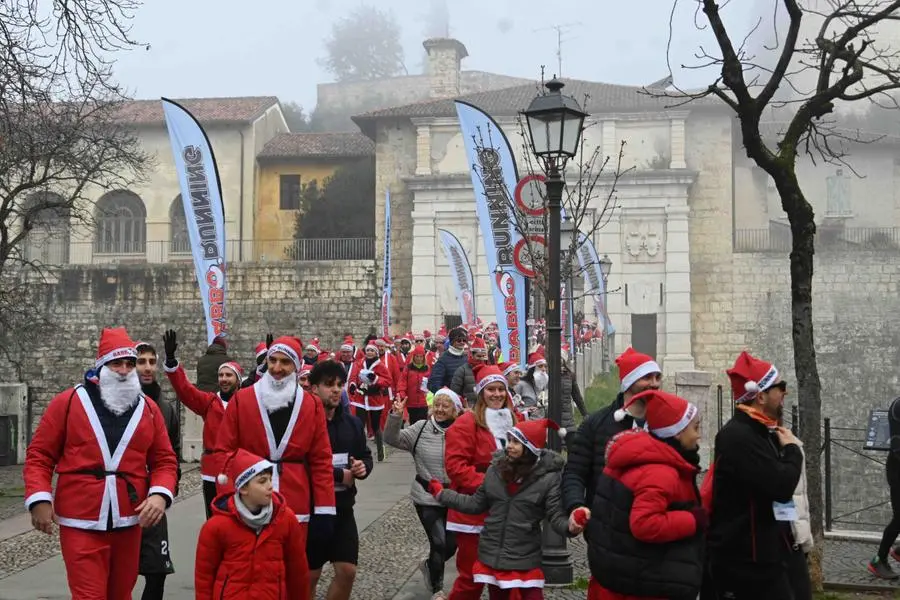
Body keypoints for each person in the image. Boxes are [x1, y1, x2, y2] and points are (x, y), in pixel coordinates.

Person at [23, 327, 178, 600]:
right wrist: (39, 499)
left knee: (121, 593)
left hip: (130, 518)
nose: (123, 370)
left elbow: (165, 460)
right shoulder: (68, 402)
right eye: (116, 363)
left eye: (129, 364)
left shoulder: (149, 409)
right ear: (101, 367)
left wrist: (159, 494)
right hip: (80, 518)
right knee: (89, 595)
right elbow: (40, 456)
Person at [427, 418, 584, 599]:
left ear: (530, 446)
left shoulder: (548, 479)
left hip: (524, 558)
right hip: (493, 555)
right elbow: (475, 503)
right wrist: (442, 494)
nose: (509, 446)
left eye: (516, 442)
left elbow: (555, 515)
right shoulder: (495, 471)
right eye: (509, 440)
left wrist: (571, 525)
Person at [215, 336, 336, 555]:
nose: (277, 368)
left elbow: (321, 460)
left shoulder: (311, 405)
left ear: (296, 367)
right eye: (273, 361)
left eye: (285, 362)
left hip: (295, 500)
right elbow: (225, 451)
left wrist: (324, 509)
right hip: (250, 499)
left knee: (293, 570)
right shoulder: (242, 400)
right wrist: (227, 497)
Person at [561, 347, 661, 599]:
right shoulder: (595, 424)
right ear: (629, 382)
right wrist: (576, 506)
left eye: (657, 377)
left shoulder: (668, 424)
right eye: (647, 377)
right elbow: (575, 472)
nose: (655, 383)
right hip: (608, 530)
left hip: (655, 528)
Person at [587, 389, 706, 600]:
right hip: (644, 584)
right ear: (677, 432)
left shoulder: (637, 458)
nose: (698, 435)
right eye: (695, 428)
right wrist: (693, 519)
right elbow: (645, 524)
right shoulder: (660, 471)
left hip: (621, 577)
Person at [704, 351, 803, 599]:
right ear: (760, 396)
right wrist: (793, 450)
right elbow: (780, 485)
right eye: (779, 387)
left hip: (765, 555)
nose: (784, 393)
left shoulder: (759, 431)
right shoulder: (739, 436)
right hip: (747, 564)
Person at [444, 363, 519, 599]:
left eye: (501, 389)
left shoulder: (512, 420)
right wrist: (494, 486)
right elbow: (456, 468)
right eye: (491, 390)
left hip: (505, 513)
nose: (497, 394)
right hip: (473, 512)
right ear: (481, 393)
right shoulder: (466, 424)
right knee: (472, 577)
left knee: (505, 578)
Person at [194, 448, 308, 600]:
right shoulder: (216, 527)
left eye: (269, 479)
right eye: (262, 481)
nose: (270, 486)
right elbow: (204, 578)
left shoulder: (286, 520)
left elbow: (298, 572)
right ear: (244, 488)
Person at [385, 388, 463, 599]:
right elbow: (392, 439)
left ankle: (429, 565)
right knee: (438, 542)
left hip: (454, 497)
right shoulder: (421, 428)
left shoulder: (463, 430)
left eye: (445, 406)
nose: (439, 409)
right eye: (436, 405)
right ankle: (437, 590)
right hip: (426, 495)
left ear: (455, 410)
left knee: (451, 546)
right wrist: (396, 416)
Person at [307, 360, 372, 600]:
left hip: (343, 507)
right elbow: (302, 463)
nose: (336, 390)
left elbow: (365, 455)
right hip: (312, 509)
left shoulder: (352, 423)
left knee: (347, 570)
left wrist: (362, 467)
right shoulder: (304, 423)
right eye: (329, 385)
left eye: (340, 385)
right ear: (314, 388)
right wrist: (338, 475)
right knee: (309, 576)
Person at [162, 329, 242, 519]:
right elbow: (185, 390)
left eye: (228, 375)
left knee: (237, 520)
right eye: (221, 375)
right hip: (212, 471)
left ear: (237, 380)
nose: (223, 379)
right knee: (213, 519)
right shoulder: (209, 402)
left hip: (237, 470)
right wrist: (172, 361)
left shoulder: (246, 402)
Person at [135, 341, 181, 600]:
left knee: (157, 571)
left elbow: (172, 454)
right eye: (141, 362)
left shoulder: (166, 407)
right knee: (120, 572)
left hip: (154, 498)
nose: (148, 367)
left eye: (152, 362)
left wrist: (167, 490)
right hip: (123, 497)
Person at [349, 340, 393, 461]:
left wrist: (376, 379)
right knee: (360, 425)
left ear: (376, 353)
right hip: (361, 399)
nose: (369, 352)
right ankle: (360, 452)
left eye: (372, 350)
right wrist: (353, 385)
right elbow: (353, 376)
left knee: (375, 426)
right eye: (368, 350)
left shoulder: (381, 366)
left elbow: (388, 381)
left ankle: (380, 452)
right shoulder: (359, 363)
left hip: (375, 400)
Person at [428, 327, 469, 393]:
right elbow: (433, 384)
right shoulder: (443, 360)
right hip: (451, 400)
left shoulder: (467, 357)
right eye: (459, 340)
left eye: (464, 340)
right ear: (452, 341)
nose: (462, 342)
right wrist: (446, 393)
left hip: (467, 400)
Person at [399, 346, 432, 425]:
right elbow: (402, 382)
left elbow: (430, 383)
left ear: (424, 357)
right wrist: (402, 394)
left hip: (424, 401)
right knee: (413, 421)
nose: (419, 358)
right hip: (411, 401)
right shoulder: (408, 368)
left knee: (423, 422)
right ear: (413, 357)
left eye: (421, 357)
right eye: (417, 356)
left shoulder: (427, 368)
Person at [451, 338, 487, 407]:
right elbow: (454, 393)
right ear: (472, 355)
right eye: (479, 356)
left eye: (483, 356)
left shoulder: (487, 369)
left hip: (484, 408)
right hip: (469, 409)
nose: (481, 359)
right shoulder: (462, 370)